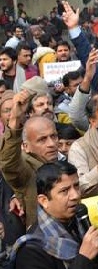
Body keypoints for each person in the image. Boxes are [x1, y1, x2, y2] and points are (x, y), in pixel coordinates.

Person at [13, 161, 98, 269]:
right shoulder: (31, 250)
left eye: (76, 186)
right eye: (64, 190)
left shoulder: (79, 224)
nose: (75, 195)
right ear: (44, 200)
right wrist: (83, 259)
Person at [0, 89, 60, 226]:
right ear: (25, 146)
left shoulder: (65, 159)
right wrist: (15, 119)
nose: (51, 144)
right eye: (42, 140)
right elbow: (9, 163)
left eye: (54, 136)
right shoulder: (27, 170)